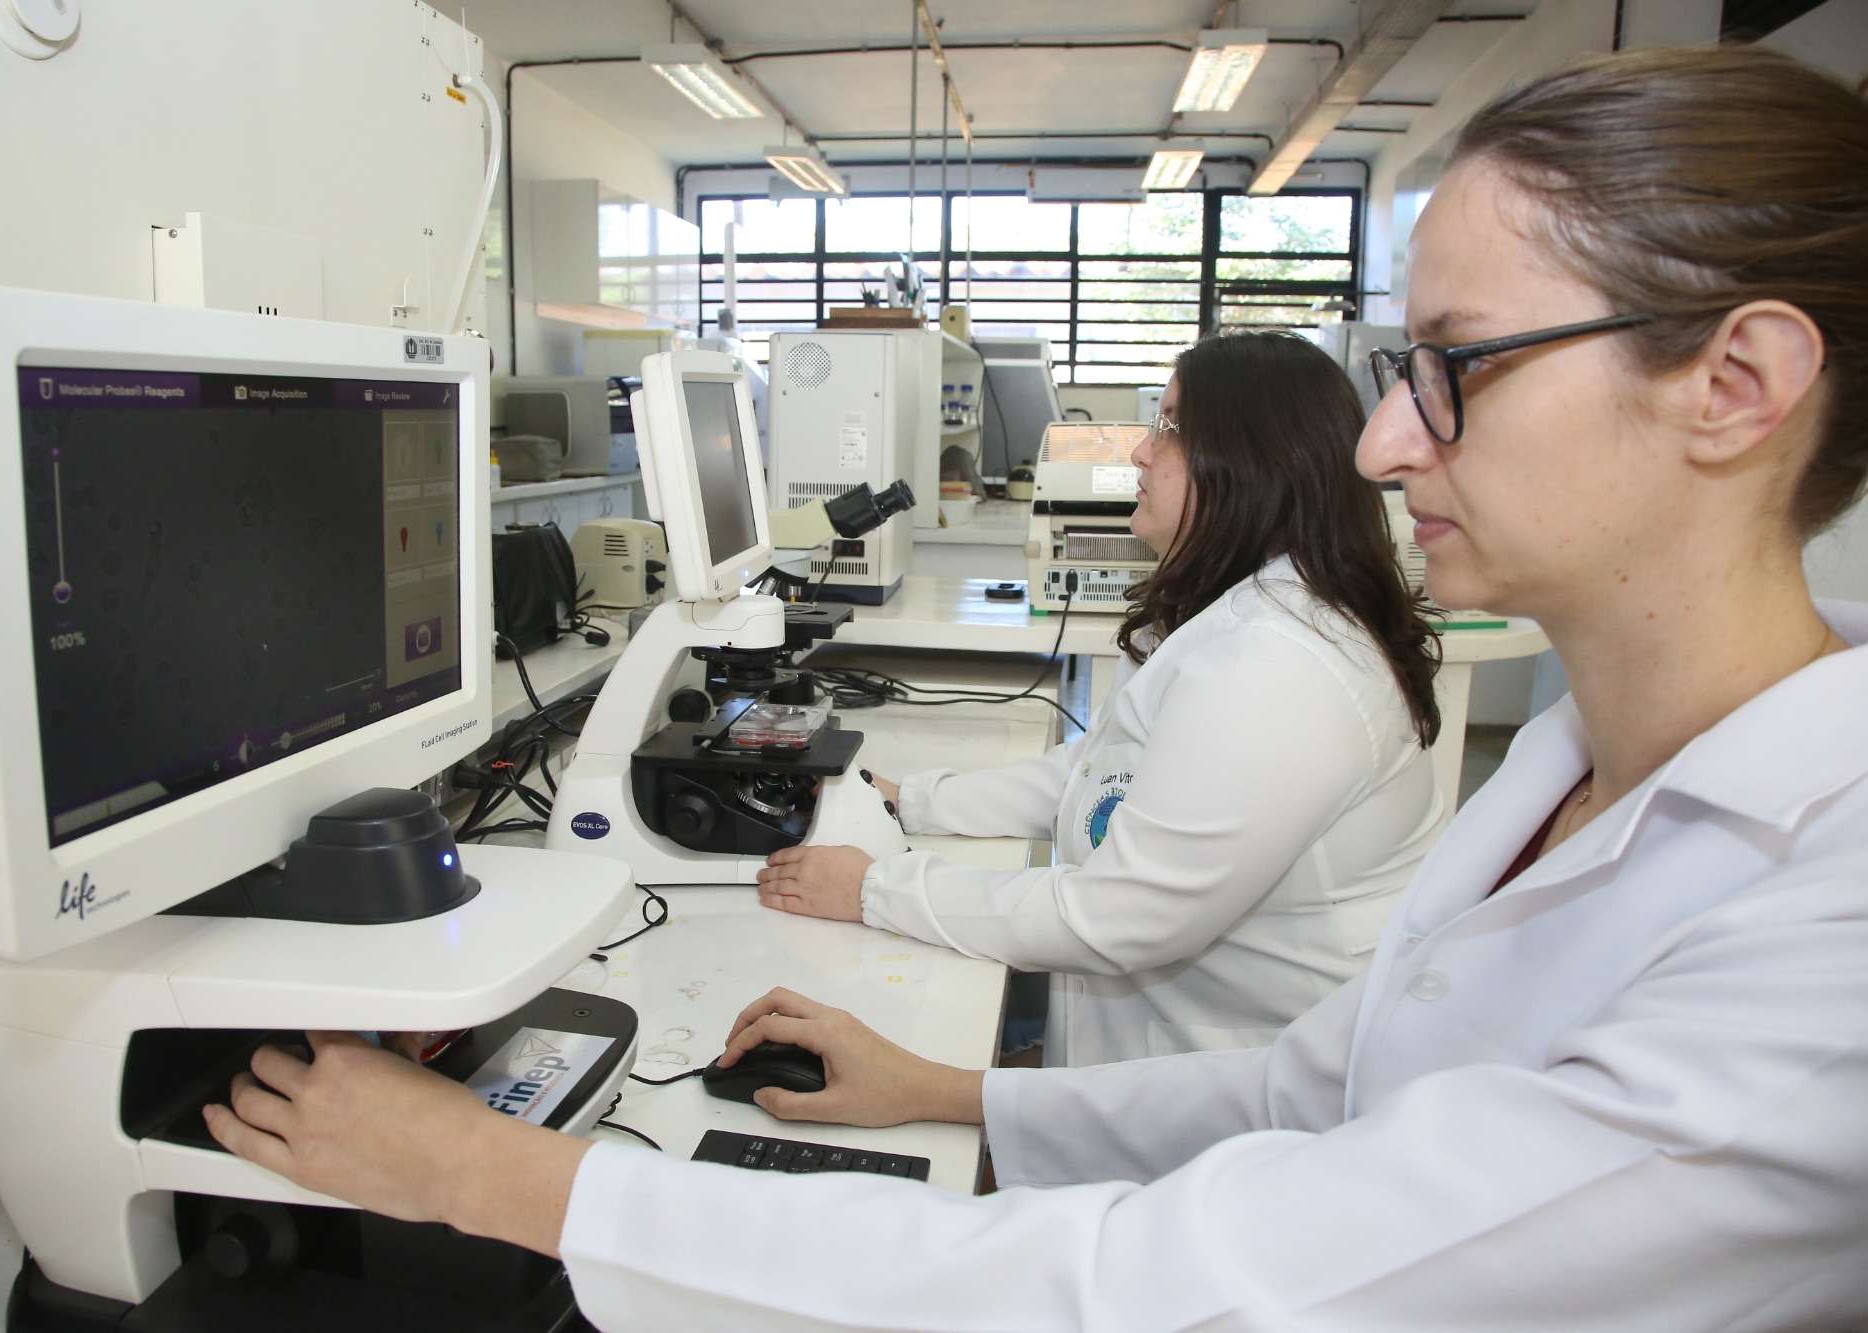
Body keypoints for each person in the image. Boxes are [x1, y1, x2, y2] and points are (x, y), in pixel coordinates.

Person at [206, 45, 1868, 1330]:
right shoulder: (1582, 759)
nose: (1379, 441)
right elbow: (1316, 1088)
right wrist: (947, 1086)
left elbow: (1182, 1283)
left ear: (1736, 383)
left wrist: (521, 1180)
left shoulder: (1826, 953)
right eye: (1389, 375)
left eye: (1452, 367)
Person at [758, 330, 1444, 1064]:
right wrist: (915, 800)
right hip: (1168, 1050)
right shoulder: (1248, 615)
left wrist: (874, 889)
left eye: (1170, 427)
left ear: (1249, 460)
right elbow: (1100, 771)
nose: (1141, 452)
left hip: (1245, 1102)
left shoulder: (1274, 668)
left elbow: (1114, 917)